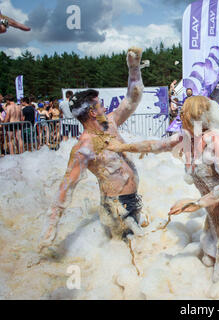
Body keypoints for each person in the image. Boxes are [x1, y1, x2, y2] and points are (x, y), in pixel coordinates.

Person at [105, 96, 219, 281]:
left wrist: (197, 203)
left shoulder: (216, 141)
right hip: (213, 213)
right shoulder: (187, 139)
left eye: (184, 112)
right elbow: (155, 145)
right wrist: (122, 146)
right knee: (210, 261)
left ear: (195, 116)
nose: (180, 115)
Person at [39, 47, 150, 252]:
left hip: (132, 199)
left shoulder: (111, 123)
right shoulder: (84, 148)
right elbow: (66, 188)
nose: (104, 108)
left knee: (136, 249)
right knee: (128, 252)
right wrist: (51, 228)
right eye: (100, 105)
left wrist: (134, 69)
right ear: (92, 112)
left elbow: (133, 98)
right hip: (116, 206)